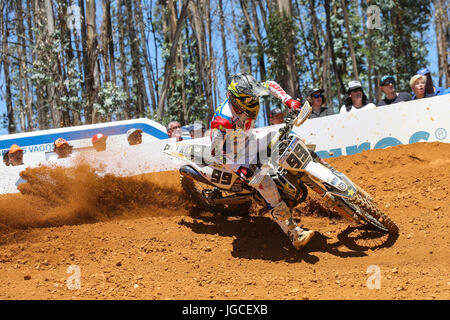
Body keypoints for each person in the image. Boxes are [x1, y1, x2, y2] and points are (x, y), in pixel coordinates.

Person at [210, 72, 315, 250]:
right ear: (238, 99)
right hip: (235, 155)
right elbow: (216, 151)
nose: (255, 101)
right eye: (250, 99)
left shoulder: (247, 93)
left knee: (290, 139)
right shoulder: (223, 120)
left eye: (255, 97)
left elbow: (271, 85)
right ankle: (294, 233)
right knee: (267, 185)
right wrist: (239, 169)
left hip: (249, 139)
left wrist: (288, 100)